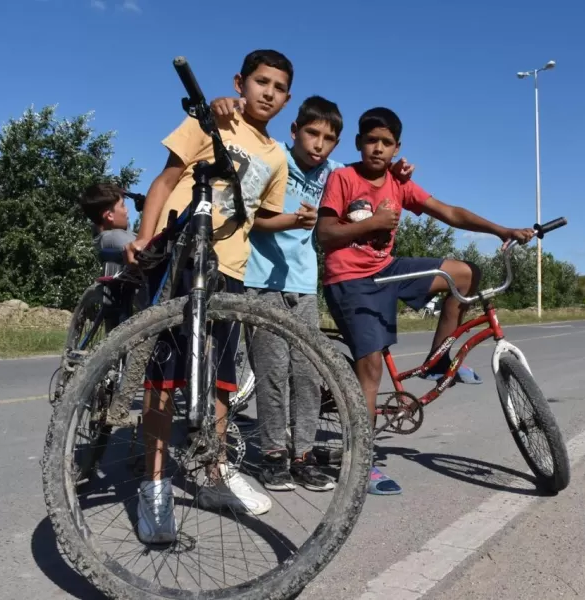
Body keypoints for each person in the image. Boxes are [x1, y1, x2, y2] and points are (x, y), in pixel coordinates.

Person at [316, 107, 535, 495]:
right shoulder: (343, 177)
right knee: (370, 370)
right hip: (350, 278)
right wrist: (370, 224)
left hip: (388, 269)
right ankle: (360, 463)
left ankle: (439, 361)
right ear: (358, 143)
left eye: (386, 143)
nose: (378, 149)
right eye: (371, 141)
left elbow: (447, 211)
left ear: (397, 147)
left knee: (465, 274)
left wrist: (501, 229)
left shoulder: (398, 183)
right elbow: (326, 234)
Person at [123, 49, 293, 544]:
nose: (269, 93)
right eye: (261, 82)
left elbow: (259, 217)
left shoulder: (276, 156)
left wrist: (305, 221)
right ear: (241, 82)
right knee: (163, 376)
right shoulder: (208, 119)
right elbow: (166, 179)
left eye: (279, 88)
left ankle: (213, 474)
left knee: (219, 381)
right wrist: (144, 236)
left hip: (229, 271)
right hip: (179, 255)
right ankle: (153, 485)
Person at [209, 95, 414, 493]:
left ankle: (301, 456)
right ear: (295, 131)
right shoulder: (274, 159)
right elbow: (246, 208)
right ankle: (272, 455)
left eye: (328, 138)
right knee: (272, 373)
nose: (318, 144)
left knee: (306, 374)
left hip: (304, 285)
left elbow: (369, 176)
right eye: (312, 133)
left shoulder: (334, 173)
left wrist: (399, 171)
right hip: (262, 279)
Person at [78, 182, 136, 275]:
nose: (127, 209)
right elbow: (147, 248)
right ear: (109, 216)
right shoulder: (113, 238)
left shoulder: (107, 235)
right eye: (122, 205)